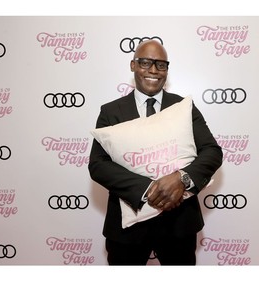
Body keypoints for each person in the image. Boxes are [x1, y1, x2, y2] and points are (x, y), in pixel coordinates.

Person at [88, 39, 223, 265]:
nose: (153, 70)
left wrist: (181, 179)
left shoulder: (184, 107)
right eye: (145, 63)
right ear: (133, 66)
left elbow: (211, 151)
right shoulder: (111, 111)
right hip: (127, 230)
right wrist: (150, 189)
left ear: (167, 70)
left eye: (161, 65)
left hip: (179, 225)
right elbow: (98, 165)